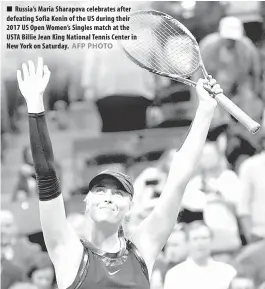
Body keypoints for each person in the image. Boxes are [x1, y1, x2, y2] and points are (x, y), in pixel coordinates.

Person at [16, 57, 222, 289]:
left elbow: (178, 179)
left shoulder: (144, 247)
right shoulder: (67, 251)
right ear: (87, 203)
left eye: (118, 193)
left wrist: (205, 110)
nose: (108, 196)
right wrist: (35, 106)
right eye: (100, 190)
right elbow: (46, 175)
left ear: (130, 208)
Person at [164, 221, 237, 289]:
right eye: (195, 239)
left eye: (204, 238)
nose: (200, 243)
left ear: (211, 241)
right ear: (187, 243)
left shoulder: (227, 272)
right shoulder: (174, 275)